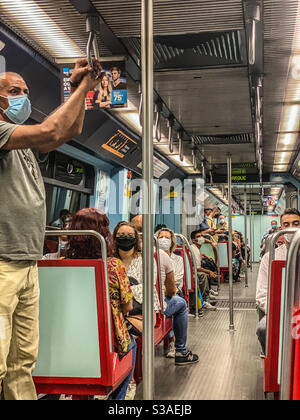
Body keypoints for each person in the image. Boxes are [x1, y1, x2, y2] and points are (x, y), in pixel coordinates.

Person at [0, 58, 101, 400]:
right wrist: (84, 88)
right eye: (15, 92)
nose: (23, 99)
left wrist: (78, 92)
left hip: (27, 263)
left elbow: (68, 130)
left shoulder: (24, 147)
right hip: (1, 265)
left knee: (22, 361)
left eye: (26, 93)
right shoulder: (2, 134)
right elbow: (49, 130)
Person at [65, 208, 136, 400]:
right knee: (132, 345)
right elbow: (127, 307)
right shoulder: (113, 265)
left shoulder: (62, 263)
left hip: (69, 337)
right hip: (105, 338)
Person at [131, 216, 199, 365]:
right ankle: (181, 350)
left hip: (126, 305)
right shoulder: (160, 256)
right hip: (152, 308)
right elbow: (171, 289)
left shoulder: (117, 257)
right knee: (180, 303)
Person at [256, 208, 300, 357]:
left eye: (296, 224)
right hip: (279, 310)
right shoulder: (270, 258)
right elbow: (262, 294)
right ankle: (271, 357)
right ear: (281, 229)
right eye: (286, 225)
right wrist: (280, 313)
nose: (291, 228)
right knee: (263, 328)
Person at [156, 227, 185, 358]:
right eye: (161, 237)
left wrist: (163, 287)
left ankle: (174, 343)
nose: (163, 240)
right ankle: (180, 347)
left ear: (172, 241)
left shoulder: (177, 259)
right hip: (156, 294)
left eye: (167, 238)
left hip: (171, 292)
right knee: (180, 305)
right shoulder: (151, 256)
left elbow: (176, 280)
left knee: (177, 300)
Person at [190, 230, 218, 311]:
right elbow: (197, 268)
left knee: (206, 271)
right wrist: (209, 272)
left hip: (194, 270)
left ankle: (206, 295)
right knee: (203, 275)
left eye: (201, 236)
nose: (201, 238)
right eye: (198, 237)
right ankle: (202, 301)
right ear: (193, 240)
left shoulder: (196, 248)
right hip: (191, 272)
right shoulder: (194, 249)